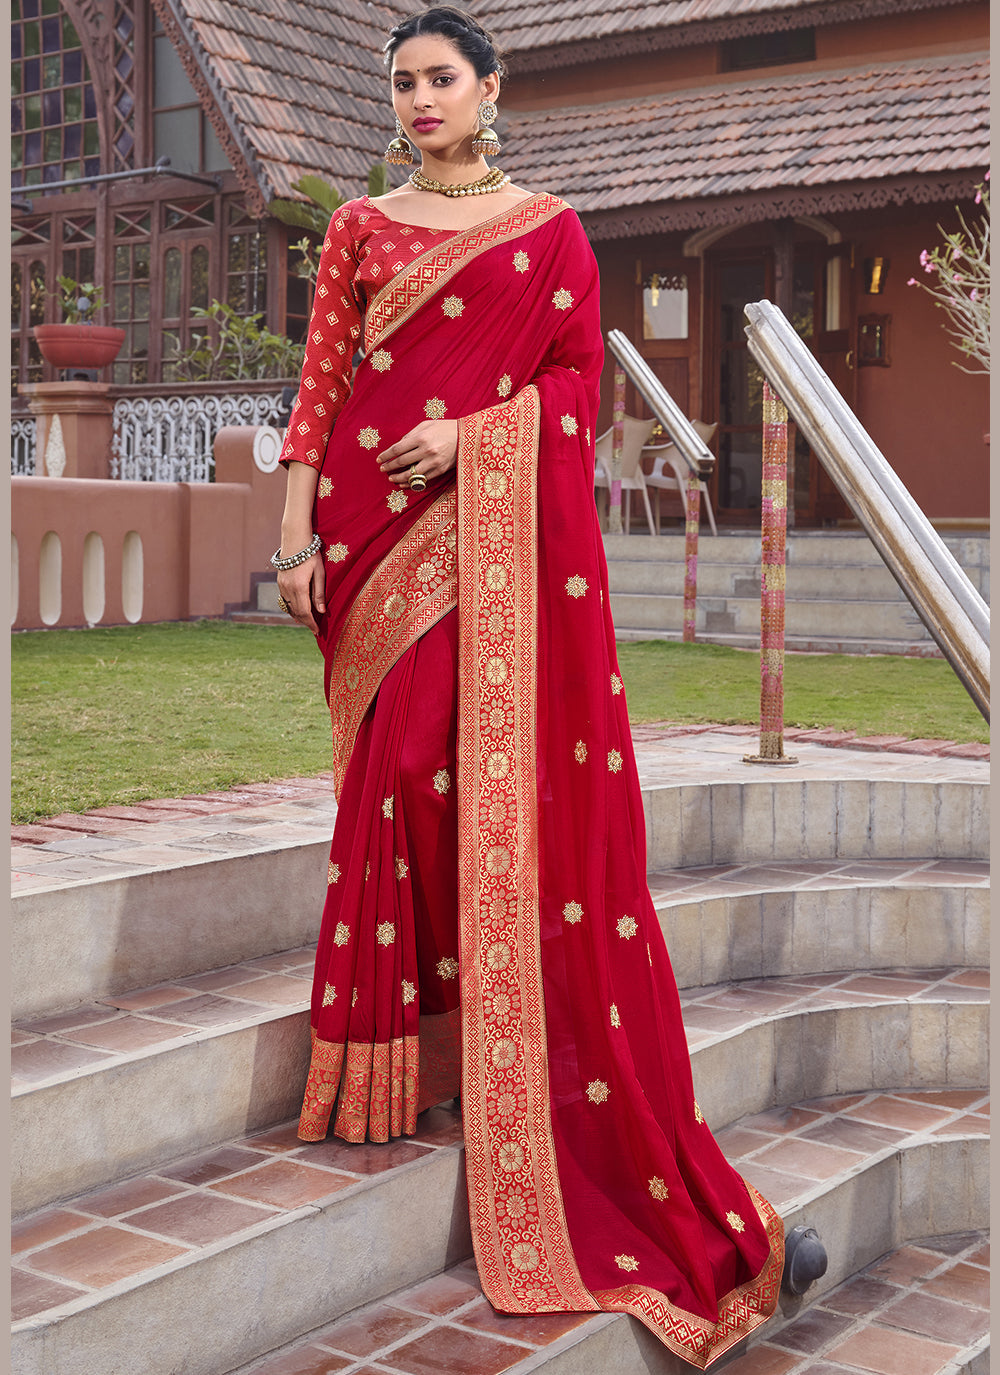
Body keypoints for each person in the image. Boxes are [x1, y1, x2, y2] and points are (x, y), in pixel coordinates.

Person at [273, 6, 783, 1366]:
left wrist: (467, 437)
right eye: (403, 83)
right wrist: (290, 537)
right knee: (389, 781)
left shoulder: (549, 232)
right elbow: (319, 392)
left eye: (441, 77)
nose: (420, 98)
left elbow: (568, 387)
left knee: (438, 778)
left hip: (476, 540)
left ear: (492, 87)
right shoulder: (361, 230)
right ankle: (400, 1060)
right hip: (364, 542)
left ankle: (469, 1055)